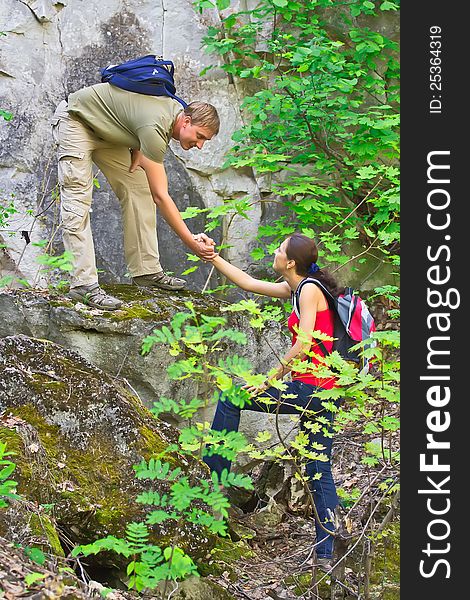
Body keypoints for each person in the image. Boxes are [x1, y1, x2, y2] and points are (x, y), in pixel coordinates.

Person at [203, 233, 342, 569]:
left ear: (290, 262)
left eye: (280, 250)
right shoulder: (298, 288)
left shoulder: (308, 289)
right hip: (326, 393)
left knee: (231, 398)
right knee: (318, 468)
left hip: (311, 389)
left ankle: (213, 482)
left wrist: (269, 380)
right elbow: (249, 283)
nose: (275, 252)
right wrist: (212, 257)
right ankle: (326, 554)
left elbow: (305, 342)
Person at [51, 81, 219, 309]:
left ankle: (146, 272)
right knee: (77, 201)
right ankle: (83, 286)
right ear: (186, 121)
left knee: (139, 189)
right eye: (199, 136)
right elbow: (161, 196)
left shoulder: (173, 112)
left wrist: (138, 148)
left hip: (109, 131)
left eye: (204, 141)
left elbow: (135, 111)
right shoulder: (157, 126)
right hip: (77, 121)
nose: (199, 145)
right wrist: (192, 242)